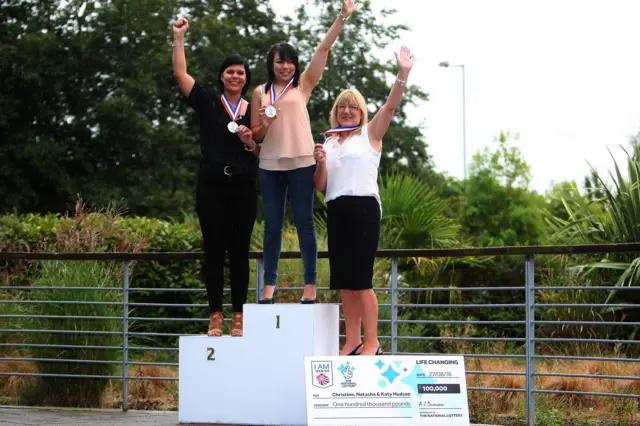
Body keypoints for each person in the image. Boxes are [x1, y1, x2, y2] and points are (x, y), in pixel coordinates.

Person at [249, 0, 359, 305]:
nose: (285, 66)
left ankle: (310, 283)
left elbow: (322, 50)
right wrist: (266, 124)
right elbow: (256, 134)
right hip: (270, 165)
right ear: (270, 64)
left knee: (304, 223)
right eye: (279, 61)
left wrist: (342, 17)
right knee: (271, 226)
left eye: (290, 61)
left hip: (302, 163)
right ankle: (268, 284)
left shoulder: (304, 85)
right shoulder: (260, 92)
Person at [312, 46, 415, 356]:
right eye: (342, 107)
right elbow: (321, 186)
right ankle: (352, 340)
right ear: (335, 111)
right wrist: (319, 162)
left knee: (362, 279)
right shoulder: (328, 142)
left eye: (352, 107)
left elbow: (390, 107)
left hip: (364, 209)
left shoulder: (371, 134)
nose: (347, 111)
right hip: (337, 208)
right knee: (345, 281)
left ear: (361, 112)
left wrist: (403, 74)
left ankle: (373, 342)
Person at [172, 17, 260, 337]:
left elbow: (263, 152)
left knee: (239, 251)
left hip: (244, 187)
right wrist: (178, 37)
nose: (235, 76)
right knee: (213, 250)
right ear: (222, 77)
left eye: (240, 72)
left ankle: (238, 315)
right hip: (211, 187)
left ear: (246, 78)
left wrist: (251, 140)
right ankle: (215, 315)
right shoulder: (209, 101)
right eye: (230, 71)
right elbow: (181, 74)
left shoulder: (255, 110)